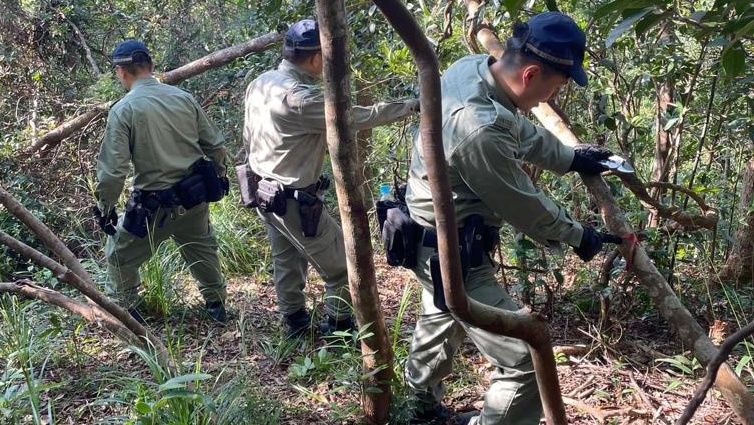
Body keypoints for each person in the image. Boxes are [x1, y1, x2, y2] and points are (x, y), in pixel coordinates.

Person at [403, 12, 615, 425]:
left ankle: (418, 411)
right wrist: (577, 236)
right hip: (454, 254)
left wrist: (571, 159)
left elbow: (518, 130)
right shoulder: (477, 128)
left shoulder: (473, 70)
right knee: (527, 364)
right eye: (553, 88)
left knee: (439, 316)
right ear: (531, 73)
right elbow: (520, 203)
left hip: (427, 236)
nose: (547, 99)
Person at [243, 19, 419, 338]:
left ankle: (294, 324)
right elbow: (358, 117)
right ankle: (339, 328)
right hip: (292, 200)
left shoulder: (260, 83)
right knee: (341, 265)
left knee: (287, 259)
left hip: (264, 192)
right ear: (314, 59)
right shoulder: (300, 100)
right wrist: (413, 106)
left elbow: (248, 137)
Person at [94, 39, 231, 323]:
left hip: (153, 207)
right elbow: (215, 145)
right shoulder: (183, 98)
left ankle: (127, 313)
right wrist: (220, 175)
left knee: (119, 254)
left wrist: (106, 209)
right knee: (201, 247)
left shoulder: (124, 109)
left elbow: (112, 172)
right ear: (151, 66)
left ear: (121, 71)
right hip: (194, 196)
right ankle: (217, 307)